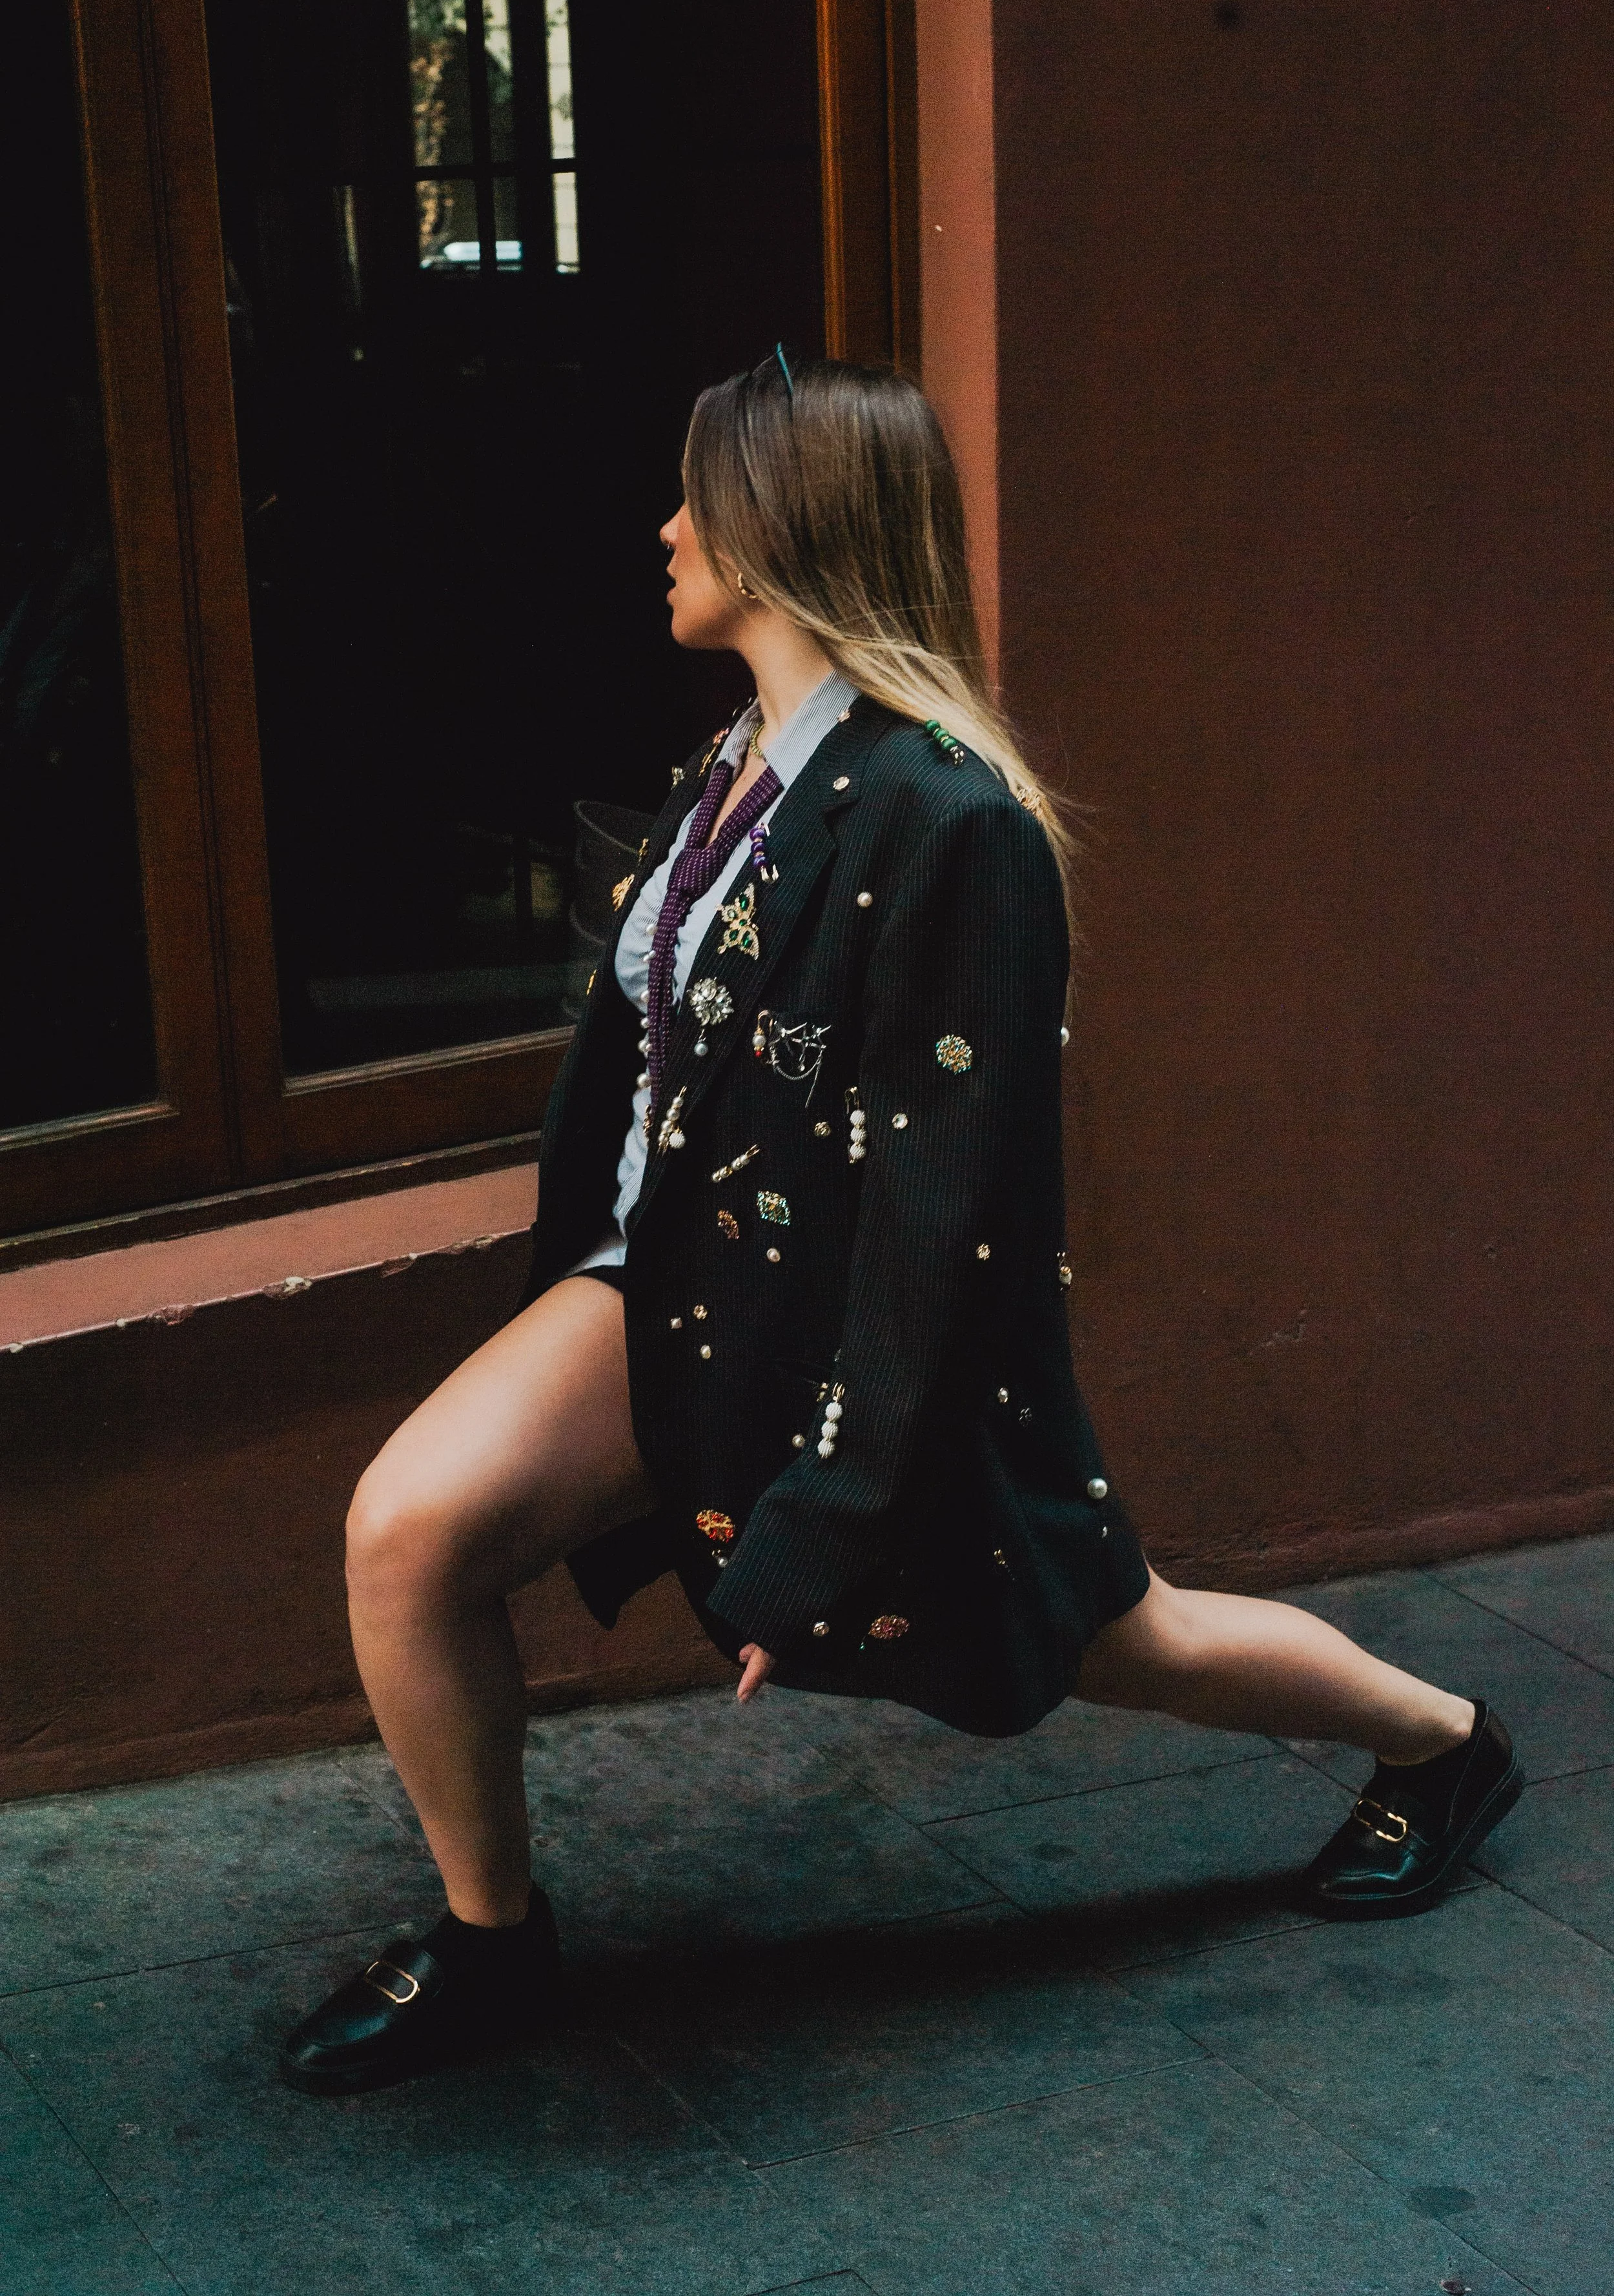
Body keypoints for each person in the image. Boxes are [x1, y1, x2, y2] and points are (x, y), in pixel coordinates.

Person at [281, 356, 1524, 2097]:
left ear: (781, 533)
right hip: (680, 1289)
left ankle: (1444, 1741)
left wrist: (822, 1504)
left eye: (692, 499)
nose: (661, 529)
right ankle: (496, 1942)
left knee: (1112, 1634)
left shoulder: (952, 827)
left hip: (865, 1335)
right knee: (406, 1531)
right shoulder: (741, 763)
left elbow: (938, 1212)